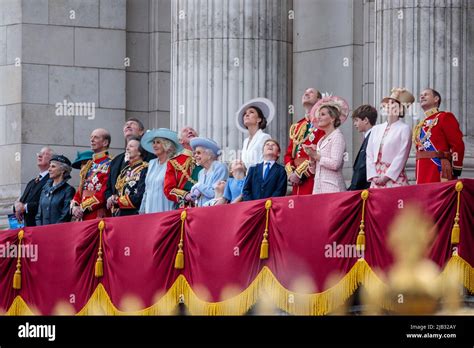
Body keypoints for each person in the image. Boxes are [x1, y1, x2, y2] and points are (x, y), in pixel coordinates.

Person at [413, 88, 465, 184]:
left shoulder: (444, 117)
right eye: (421, 95)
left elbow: (457, 143)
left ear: (436, 99)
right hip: (421, 172)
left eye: (426, 94)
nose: (422, 96)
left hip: (438, 169)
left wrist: (456, 167)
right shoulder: (420, 125)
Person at [366, 88, 413, 188]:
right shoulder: (376, 129)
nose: (388, 105)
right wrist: (373, 175)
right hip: (376, 176)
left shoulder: (404, 129)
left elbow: (402, 155)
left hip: (394, 177)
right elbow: (369, 154)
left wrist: (387, 176)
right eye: (388, 103)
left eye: (392, 103)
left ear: (400, 108)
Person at [284, 88, 325, 195]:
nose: (306, 93)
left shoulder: (323, 124)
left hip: (312, 178)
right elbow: (289, 154)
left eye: (311, 92)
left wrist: (299, 174)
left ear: (319, 100)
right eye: (305, 92)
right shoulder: (297, 126)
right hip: (295, 182)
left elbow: (321, 152)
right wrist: (291, 173)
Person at [304, 96, 348, 194]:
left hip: (333, 188)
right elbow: (314, 171)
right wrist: (311, 157)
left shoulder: (337, 137)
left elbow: (335, 164)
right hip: (318, 189)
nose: (318, 117)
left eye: (322, 114)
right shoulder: (321, 140)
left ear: (332, 118)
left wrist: (316, 155)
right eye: (318, 115)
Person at [105, 119, 155, 203]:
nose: (128, 125)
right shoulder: (115, 160)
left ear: (141, 131)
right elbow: (108, 187)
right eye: (126, 124)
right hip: (116, 211)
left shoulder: (151, 156)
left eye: (132, 124)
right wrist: (110, 198)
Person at [70, 128, 112, 221]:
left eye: (96, 137)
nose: (92, 140)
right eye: (91, 137)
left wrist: (82, 207)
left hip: (98, 214)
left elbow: (104, 192)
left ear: (105, 142)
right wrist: (75, 205)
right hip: (82, 214)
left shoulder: (111, 164)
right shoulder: (89, 164)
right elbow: (80, 189)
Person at [139, 129, 182, 214]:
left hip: (166, 208)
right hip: (149, 208)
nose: (154, 145)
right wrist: (142, 210)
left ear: (167, 145)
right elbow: (147, 190)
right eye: (153, 142)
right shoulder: (151, 163)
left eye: (158, 142)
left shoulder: (174, 164)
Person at [163, 126, 203, 207]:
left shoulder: (208, 157)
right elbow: (168, 189)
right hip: (185, 208)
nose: (190, 131)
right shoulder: (173, 162)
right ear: (181, 141)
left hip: (206, 204)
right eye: (185, 131)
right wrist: (186, 195)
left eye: (192, 129)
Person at [14, 147, 54, 227]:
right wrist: (16, 205)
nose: (39, 156)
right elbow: (21, 202)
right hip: (25, 228)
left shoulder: (52, 180)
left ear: (52, 161)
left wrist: (25, 207)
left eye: (45, 154)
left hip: (40, 227)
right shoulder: (31, 182)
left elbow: (48, 204)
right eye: (39, 153)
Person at [108, 137, 148, 216]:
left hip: (134, 214)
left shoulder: (145, 168)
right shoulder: (125, 170)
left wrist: (118, 200)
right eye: (127, 146)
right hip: (119, 214)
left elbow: (140, 196)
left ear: (139, 152)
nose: (127, 148)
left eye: (131, 146)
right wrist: (113, 198)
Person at [35, 155, 76, 225]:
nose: (49, 169)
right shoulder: (45, 189)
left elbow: (65, 216)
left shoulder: (68, 190)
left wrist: (53, 230)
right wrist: (40, 230)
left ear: (63, 170)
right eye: (49, 166)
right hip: (42, 232)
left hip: (59, 232)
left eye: (53, 166)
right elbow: (39, 215)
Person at [189, 137, 228, 207]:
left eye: (198, 153)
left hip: (215, 210)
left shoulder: (219, 167)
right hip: (202, 210)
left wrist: (198, 185)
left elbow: (214, 193)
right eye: (195, 153)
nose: (195, 156)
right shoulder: (200, 172)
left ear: (209, 155)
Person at [235, 98, 273, 169]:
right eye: (245, 114)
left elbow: (268, 163)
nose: (247, 115)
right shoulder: (245, 141)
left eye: (251, 112)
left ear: (259, 119)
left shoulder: (264, 137)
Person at [348, 105, 378, 190]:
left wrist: (353, 188)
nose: (354, 124)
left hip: (364, 188)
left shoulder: (372, 138)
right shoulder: (369, 137)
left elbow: (364, 166)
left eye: (356, 120)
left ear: (365, 120)